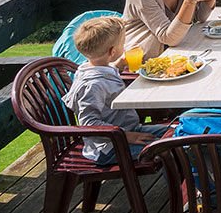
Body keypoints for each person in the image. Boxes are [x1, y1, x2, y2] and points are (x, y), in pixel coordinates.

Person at [62, 16, 170, 165]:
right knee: (167, 149)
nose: (124, 44)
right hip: (108, 147)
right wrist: (127, 136)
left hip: (129, 130)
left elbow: (105, 74)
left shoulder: (94, 69)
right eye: (123, 42)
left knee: (177, 132)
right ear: (112, 51)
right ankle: (182, 186)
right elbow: (89, 123)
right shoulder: (93, 85)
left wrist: (118, 65)